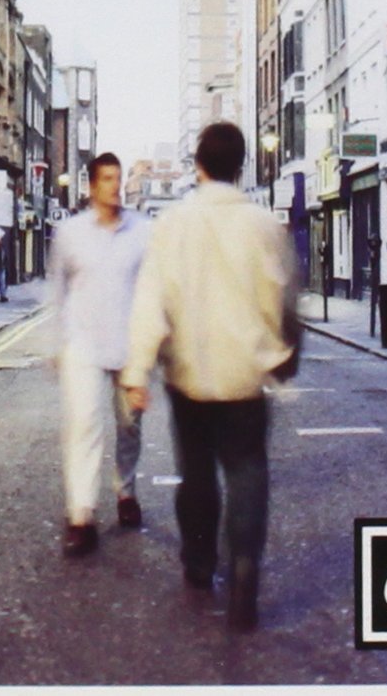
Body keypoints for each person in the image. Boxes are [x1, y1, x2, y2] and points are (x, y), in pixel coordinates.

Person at [120, 122, 300, 632]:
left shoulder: (173, 224)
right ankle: (244, 566)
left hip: (190, 374)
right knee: (247, 472)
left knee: (196, 474)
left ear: (198, 165)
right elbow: (283, 296)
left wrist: (137, 371)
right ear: (240, 166)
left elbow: (150, 301)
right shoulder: (264, 225)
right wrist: (283, 354)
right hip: (245, 374)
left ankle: (199, 564)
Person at [47, 152, 151, 557]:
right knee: (84, 426)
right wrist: (56, 343)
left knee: (129, 427)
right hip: (83, 346)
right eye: (106, 178)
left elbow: (152, 292)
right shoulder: (71, 233)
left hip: (128, 345)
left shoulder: (142, 231)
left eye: (117, 178)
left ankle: (126, 491)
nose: (114, 185)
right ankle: (82, 516)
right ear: (91, 186)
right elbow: (57, 292)